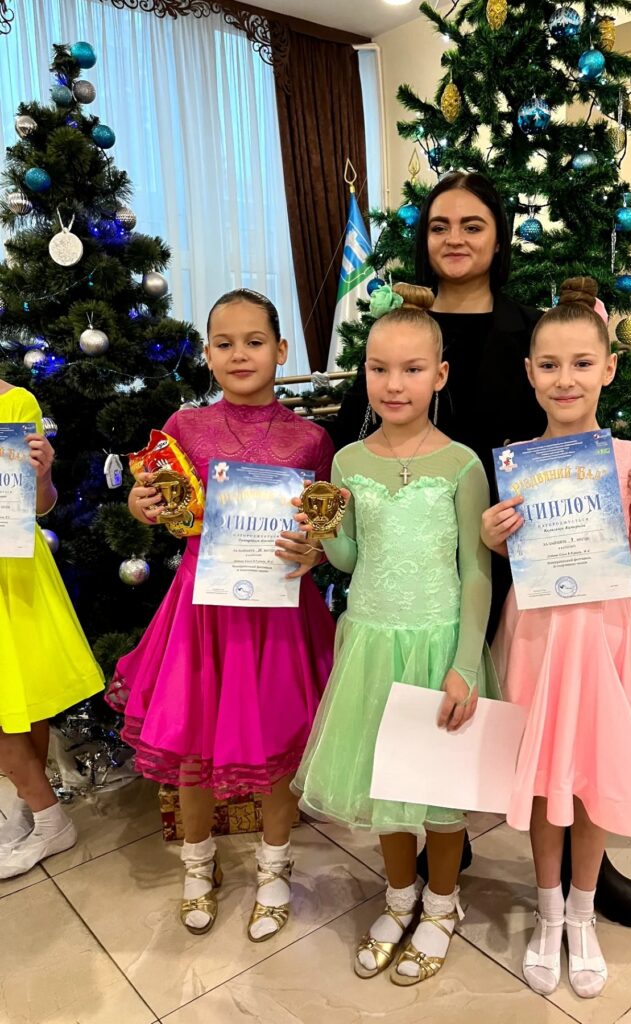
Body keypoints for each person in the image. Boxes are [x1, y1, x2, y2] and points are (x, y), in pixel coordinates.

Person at [330, 170, 631, 929]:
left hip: (536, 551)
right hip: (433, 552)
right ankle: (439, 834)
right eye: (439, 226)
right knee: (435, 696)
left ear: (498, 236)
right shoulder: (400, 326)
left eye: (472, 225)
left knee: (562, 715)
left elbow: (586, 423)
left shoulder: (529, 327)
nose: (454, 239)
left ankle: (590, 869)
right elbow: (353, 426)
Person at [484, 278, 631, 999]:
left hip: (605, 642)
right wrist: (492, 538)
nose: (566, 379)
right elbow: (510, 555)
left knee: (590, 777)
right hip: (537, 640)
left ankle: (582, 914)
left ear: (608, 369)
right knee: (541, 784)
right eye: (550, 364)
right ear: (529, 373)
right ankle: (547, 911)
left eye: (582, 363)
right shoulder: (515, 462)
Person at [109, 289, 335, 940]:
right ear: (207, 354)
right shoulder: (184, 428)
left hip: (280, 615)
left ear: (281, 350)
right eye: (224, 343)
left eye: (254, 342)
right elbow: (156, 502)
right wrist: (142, 506)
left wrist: (317, 549)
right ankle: (197, 862)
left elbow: (326, 527)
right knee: (191, 741)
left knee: (279, 744)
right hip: (201, 613)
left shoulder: (310, 438)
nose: (240, 354)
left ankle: (274, 867)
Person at [293, 282, 498, 985]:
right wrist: (325, 532)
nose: (394, 383)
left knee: (439, 794)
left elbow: (475, 570)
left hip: (439, 643)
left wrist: (465, 662)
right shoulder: (348, 462)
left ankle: (441, 906)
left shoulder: (462, 463)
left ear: (439, 374)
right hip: (371, 643)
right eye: (379, 368)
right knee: (384, 785)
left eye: (412, 369)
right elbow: (351, 560)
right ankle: (399, 895)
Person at [0, 381, 104, 879]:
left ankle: (46, 818)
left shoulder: (16, 402)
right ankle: (34, 810)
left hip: (13, 569)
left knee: (22, 701)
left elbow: (39, 504)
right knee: (13, 703)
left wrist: (43, 476)